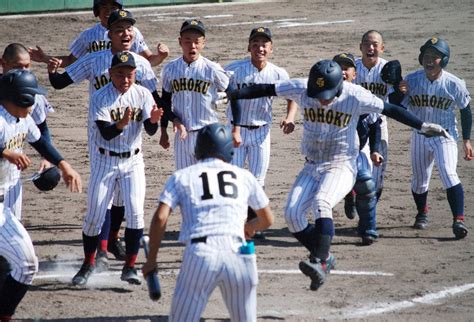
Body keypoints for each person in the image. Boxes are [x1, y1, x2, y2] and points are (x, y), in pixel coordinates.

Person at [229, 59, 448, 291]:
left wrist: (422, 126)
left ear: (340, 84)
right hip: (312, 165)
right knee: (292, 215)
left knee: (322, 202)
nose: (322, 99)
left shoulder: (356, 96)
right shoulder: (303, 87)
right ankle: (325, 255)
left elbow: (390, 109)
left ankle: (320, 262)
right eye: (318, 92)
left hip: (342, 164)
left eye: (327, 94)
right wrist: (234, 94)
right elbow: (266, 89)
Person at [48, 9, 162, 265]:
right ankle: (99, 247)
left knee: (126, 198)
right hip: (100, 134)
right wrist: (52, 71)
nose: (126, 33)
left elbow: (154, 100)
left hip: (131, 137)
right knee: (105, 196)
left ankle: (112, 239)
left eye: (129, 28)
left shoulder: (140, 64)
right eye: (119, 29)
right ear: (108, 34)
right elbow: (59, 83)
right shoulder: (94, 60)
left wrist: (161, 124)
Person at [142, 123, 274, 322]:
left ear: (198, 150)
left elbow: (160, 217)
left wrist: (151, 259)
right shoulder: (244, 176)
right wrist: (249, 227)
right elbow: (267, 219)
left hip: (201, 255)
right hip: (240, 254)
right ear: (228, 149)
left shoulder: (182, 176)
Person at [72, 51, 162, 286]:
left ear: (135, 74)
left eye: (129, 74)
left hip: (133, 162)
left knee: (135, 213)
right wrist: (121, 124)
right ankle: (88, 263)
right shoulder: (101, 97)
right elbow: (106, 133)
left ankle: (130, 267)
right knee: (94, 215)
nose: (125, 79)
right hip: (105, 161)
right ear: (111, 73)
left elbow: (151, 131)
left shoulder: (143, 94)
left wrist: (153, 121)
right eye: (119, 74)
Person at [0, 69, 82, 322]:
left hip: (3, 206)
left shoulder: (21, 118)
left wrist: (64, 164)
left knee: (25, 266)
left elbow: (40, 142)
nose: (35, 102)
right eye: (32, 97)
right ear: (21, 98)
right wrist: (5, 152)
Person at [224, 27, 297, 238]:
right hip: (236, 131)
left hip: (261, 132)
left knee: (257, 181)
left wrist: (290, 117)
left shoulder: (278, 73)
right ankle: (235, 223)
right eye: (255, 44)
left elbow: (292, 96)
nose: (260, 48)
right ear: (249, 47)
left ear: (271, 49)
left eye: (264, 44)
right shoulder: (234, 70)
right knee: (234, 179)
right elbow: (220, 86)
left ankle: (252, 224)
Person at [400, 37, 472, 239]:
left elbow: (465, 110)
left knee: (449, 173)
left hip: (445, 135)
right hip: (420, 136)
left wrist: (466, 140)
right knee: (419, 182)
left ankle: (458, 219)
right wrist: (399, 92)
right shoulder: (412, 80)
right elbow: (399, 108)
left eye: (435, 57)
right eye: (426, 56)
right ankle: (422, 213)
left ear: (445, 60)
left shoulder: (454, 83)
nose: (429, 60)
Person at [159, 19, 240, 170]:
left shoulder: (212, 69)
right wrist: (163, 131)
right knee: (185, 183)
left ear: (203, 43)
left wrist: (236, 129)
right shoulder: (170, 69)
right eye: (187, 41)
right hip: (182, 136)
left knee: (209, 182)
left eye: (197, 41)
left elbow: (234, 94)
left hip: (208, 135)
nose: (192, 46)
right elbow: (164, 101)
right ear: (180, 42)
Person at [0, 43, 55, 219]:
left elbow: (42, 128)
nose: (23, 71)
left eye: (27, 66)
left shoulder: (32, 92)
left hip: (12, 175)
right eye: (17, 67)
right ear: (3, 63)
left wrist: (47, 159)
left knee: (12, 227)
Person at [29, 0, 169, 68]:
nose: (108, 11)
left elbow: (148, 60)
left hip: (126, 84)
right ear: (96, 10)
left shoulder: (132, 32)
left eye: (113, 7)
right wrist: (45, 58)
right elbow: (71, 61)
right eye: (104, 7)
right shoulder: (88, 35)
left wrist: (161, 57)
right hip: (99, 87)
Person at [334, 53, 383, 245]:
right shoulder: (324, 96)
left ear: (355, 74)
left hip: (356, 152)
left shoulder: (362, 97)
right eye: (339, 67)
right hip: (330, 154)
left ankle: (368, 229)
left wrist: (375, 150)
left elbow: (375, 125)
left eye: (347, 68)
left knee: (367, 185)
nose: (343, 72)